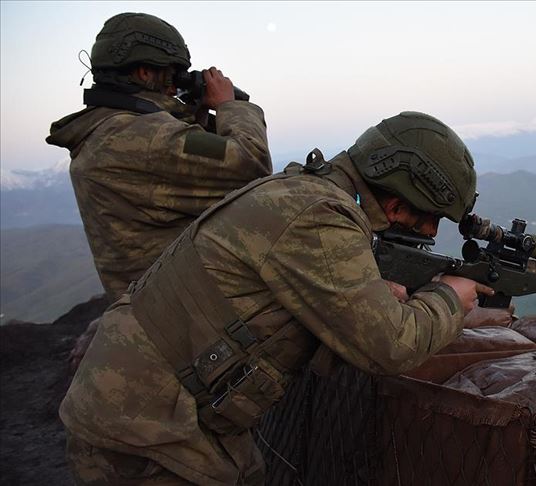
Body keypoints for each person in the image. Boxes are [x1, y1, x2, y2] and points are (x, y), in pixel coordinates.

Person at [60, 111, 500, 485]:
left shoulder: (304, 191)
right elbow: (391, 345)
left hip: (160, 407)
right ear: (397, 202)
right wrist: (450, 297)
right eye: (431, 217)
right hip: (147, 428)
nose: (431, 232)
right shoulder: (321, 216)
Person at [46, 12, 272, 371]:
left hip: (155, 309)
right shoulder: (142, 136)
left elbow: (183, 166)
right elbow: (250, 163)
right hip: (191, 323)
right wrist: (232, 106)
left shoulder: (106, 131)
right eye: (172, 74)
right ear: (144, 73)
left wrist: (197, 114)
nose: (175, 85)